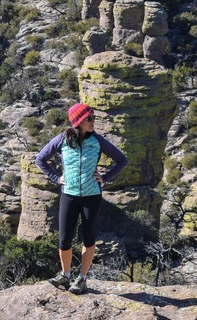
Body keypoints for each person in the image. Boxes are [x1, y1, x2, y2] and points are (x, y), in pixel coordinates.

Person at [35, 102, 127, 295]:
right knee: (64, 240)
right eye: (89, 119)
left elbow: (122, 160)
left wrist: (106, 178)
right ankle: (65, 275)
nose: (93, 122)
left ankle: (82, 278)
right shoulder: (62, 140)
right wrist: (55, 177)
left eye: (93, 118)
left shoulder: (98, 141)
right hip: (69, 195)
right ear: (78, 121)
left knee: (89, 238)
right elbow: (40, 159)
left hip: (92, 196)